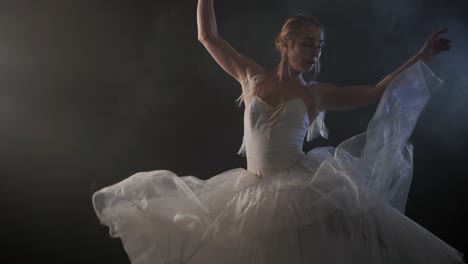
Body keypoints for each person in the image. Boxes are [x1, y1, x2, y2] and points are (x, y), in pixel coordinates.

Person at [92, 0, 465, 263]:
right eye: (307, 43)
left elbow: (374, 92)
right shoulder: (251, 78)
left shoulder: (315, 94)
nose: (314, 53)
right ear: (284, 43)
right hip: (248, 190)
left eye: (319, 48)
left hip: (294, 191)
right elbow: (208, 36)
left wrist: (421, 56)